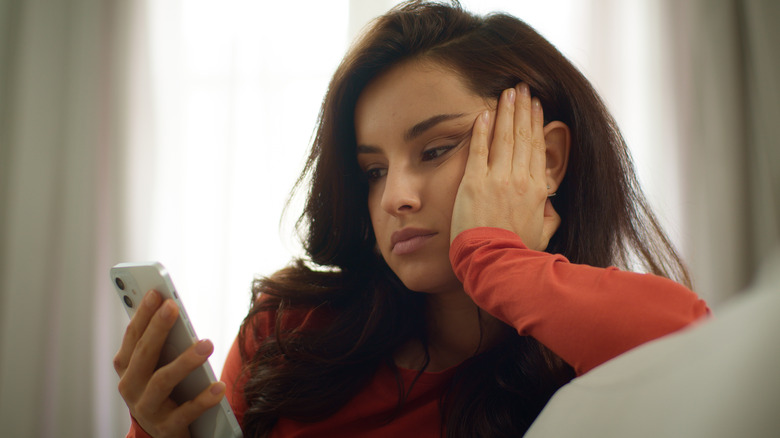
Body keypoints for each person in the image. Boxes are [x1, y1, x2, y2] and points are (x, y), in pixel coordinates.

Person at [114, 1, 710, 437]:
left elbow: (698, 351)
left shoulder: (583, 357)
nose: (394, 196)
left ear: (545, 159)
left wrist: (495, 260)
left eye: (434, 150)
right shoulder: (287, 334)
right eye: (372, 171)